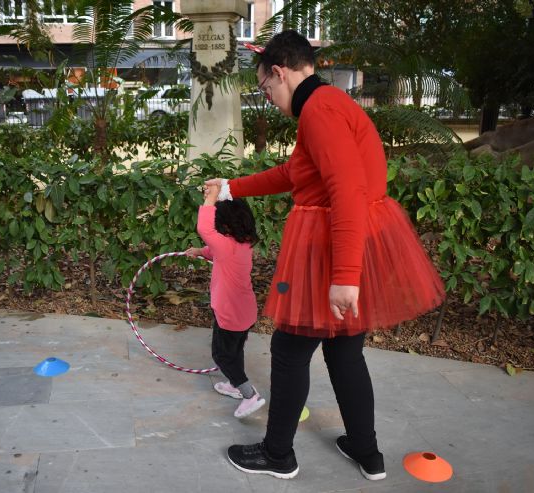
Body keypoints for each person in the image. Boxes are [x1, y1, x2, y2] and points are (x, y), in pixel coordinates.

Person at [205, 30, 445, 480]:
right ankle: (366, 451)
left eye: (265, 88)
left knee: (290, 348)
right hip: (343, 243)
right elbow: (297, 172)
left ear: (280, 72)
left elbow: (347, 194)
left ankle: (278, 455)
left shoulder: (320, 111)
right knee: (344, 350)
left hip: (330, 246)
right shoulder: (330, 105)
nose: (270, 98)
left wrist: (345, 275)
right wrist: (231, 187)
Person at [185, 182, 266, 419]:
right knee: (235, 350)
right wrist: (200, 251)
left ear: (224, 225)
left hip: (229, 312)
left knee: (221, 355)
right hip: (246, 311)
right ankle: (234, 385)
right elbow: (215, 249)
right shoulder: (244, 243)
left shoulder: (224, 243)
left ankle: (250, 394)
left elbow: (205, 230)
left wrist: (210, 200)